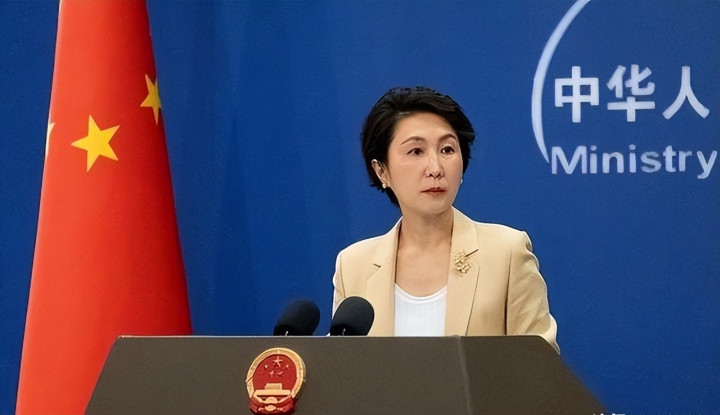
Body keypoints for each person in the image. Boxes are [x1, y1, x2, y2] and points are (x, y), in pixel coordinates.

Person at [331, 86, 559, 353]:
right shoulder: (354, 265)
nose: (436, 169)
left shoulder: (506, 253)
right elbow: (342, 368)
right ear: (381, 170)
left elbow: (540, 367)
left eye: (447, 150)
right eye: (416, 151)